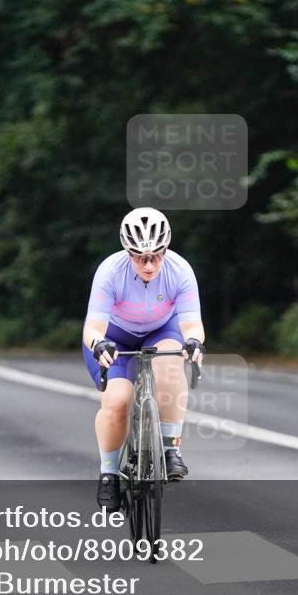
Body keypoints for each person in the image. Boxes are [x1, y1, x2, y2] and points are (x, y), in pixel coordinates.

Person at [82, 208, 205, 511]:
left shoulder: (180, 270)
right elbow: (93, 328)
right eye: (138, 256)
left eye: (156, 255)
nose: (149, 264)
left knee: (170, 366)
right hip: (114, 337)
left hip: (161, 330)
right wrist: (99, 344)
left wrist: (194, 342)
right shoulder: (110, 271)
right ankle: (109, 473)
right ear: (127, 251)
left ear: (166, 248)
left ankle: (170, 448)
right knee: (117, 402)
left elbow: (192, 324)